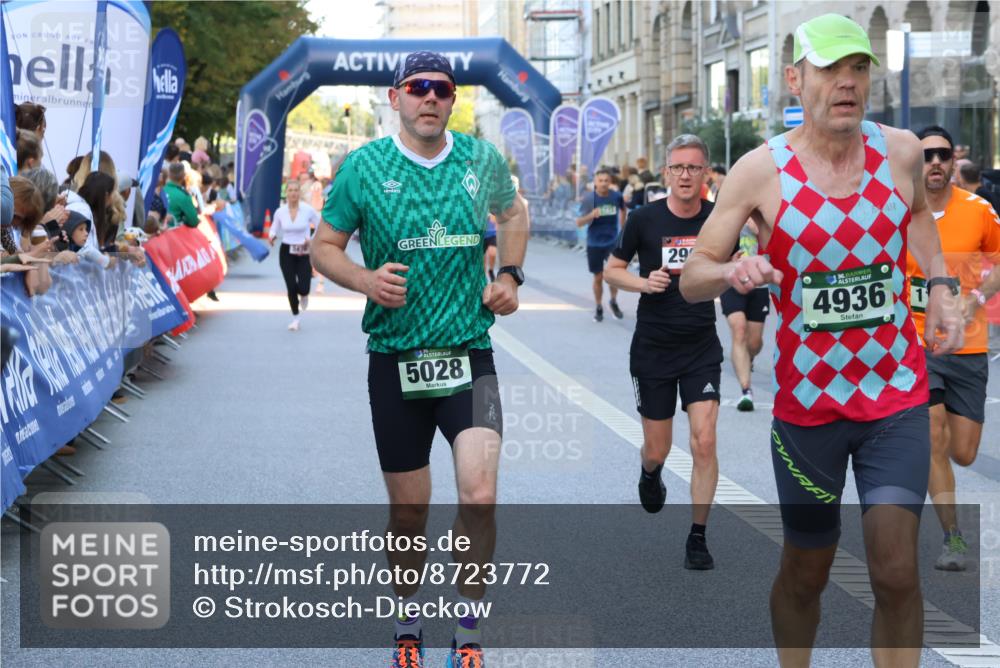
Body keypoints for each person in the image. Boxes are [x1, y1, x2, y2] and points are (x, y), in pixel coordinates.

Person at [679, 14, 963, 668]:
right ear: (795, 79)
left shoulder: (901, 152)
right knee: (807, 571)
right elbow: (693, 276)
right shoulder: (760, 171)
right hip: (809, 408)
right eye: (831, 69)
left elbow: (918, 213)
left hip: (894, 395)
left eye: (858, 68)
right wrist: (731, 269)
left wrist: (941, 282)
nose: (847, 83)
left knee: (896, 572)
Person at [310, 51, 528, 668]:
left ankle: (468, 627)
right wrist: (363, 279)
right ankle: (408, 616)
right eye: (418, 88)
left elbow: (513, 214)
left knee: (479, 493)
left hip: (468, 354)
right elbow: (324, 246)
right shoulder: (365, 167)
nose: (429, 97)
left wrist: (510, 274)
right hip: (395, 359)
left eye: (441, 89)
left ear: (452, 99)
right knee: (410, 509)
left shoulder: (479, 159)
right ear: (395, 97)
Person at [603, 133, 722, 571]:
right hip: (653, 348)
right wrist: (643, 283)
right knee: (659, 448)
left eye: (694, 167)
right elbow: (612, 270)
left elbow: (743, 254)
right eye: (678, 167)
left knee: (704, 440)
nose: (686, 175)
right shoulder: (643, 219)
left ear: (705, 172)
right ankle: (650, 473)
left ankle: (698, 536)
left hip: (700, 346)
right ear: (667, 172)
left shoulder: (718, 218)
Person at [907, 125, 1000, 571]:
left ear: (953, 160)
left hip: (969, 344)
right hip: (917, 342)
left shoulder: (979, 211)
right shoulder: (899, 214)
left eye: (943, 154)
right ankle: (953, 537)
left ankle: (941, 475)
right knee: (932, 434)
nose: (936, 162)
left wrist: (975, 299)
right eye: (927, 156)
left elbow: (999, 265)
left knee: (962, 451)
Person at [719, 220, 769, 411]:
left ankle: (749, 359)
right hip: (732, 279)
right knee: (739, 329)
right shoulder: (731, 207)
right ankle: (746, 391)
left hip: (759, 282)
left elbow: (764, 234)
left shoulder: (763, 210)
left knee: (754, 343)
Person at [268, 179, 319, 331]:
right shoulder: (280, 211)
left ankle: (304, 295)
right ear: (286, 193)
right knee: (291, 286)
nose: (293, 193)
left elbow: (320, 224)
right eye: (290, 190)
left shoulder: (308, 210)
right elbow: (273, 229)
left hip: (303, 251)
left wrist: (311, 239)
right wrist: (271, 236)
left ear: (299, 193)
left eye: (296, 190)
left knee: (303, 287)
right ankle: (295, 318)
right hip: (286, 251)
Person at [575, 168, 625, 321]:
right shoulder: (589, 199)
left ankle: (613, 301)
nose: (603, 184)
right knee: (598, 277)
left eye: (606, 181)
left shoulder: (616, 196)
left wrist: (623, 229)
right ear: (595, 182)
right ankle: (598, 306)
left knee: (613, 275)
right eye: (600, 181)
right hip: (594, 243)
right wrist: (591, 215)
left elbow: (624, 210)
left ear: (610, 182)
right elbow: (578, 222)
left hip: (612, 241)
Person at [164, 162, 199, 228]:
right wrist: (184, 219)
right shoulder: (184, 196)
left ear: (169, 174)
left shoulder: (161, 189)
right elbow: (194, 222)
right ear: (184, 176)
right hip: (173, 234)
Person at [483, 214, 498, 281]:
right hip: (481, 235)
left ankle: (491, 270)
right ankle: (483, 276)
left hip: (492, 234)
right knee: (483, 259)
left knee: (492, 253)